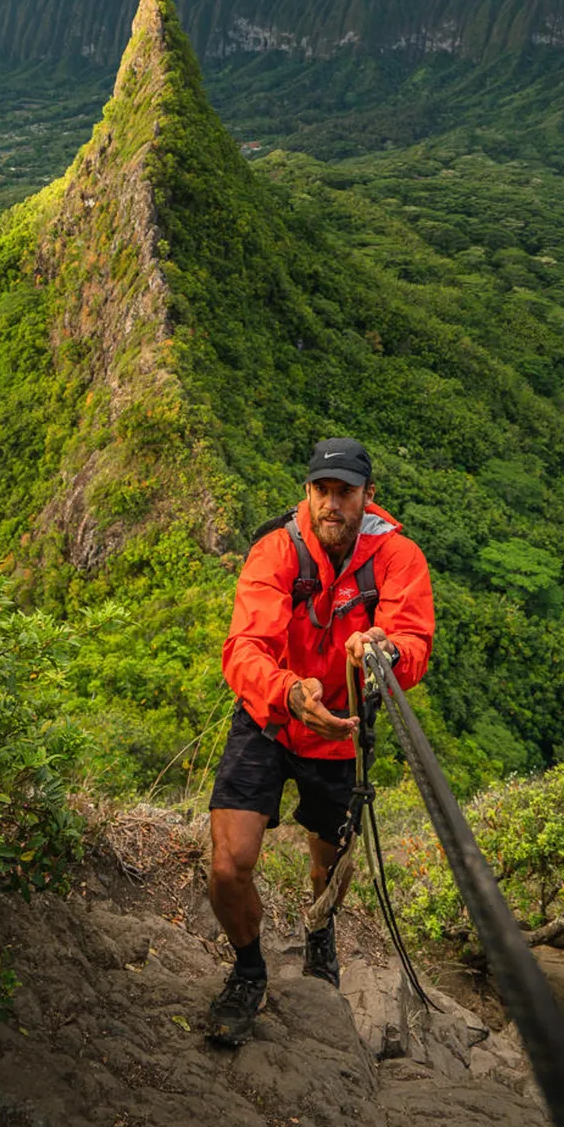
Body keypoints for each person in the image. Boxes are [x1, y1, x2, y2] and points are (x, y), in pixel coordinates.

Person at [205, 436, 434, 1045]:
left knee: (326, 864)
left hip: (341, 731)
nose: (331, 503)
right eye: (321, 490)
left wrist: (383, 648)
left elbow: (414, 645)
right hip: (271, 716)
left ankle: (319, 928)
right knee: (228, 867)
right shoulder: (276, 549)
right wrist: (289, 696)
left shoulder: (398, 557)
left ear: (368, 497)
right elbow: (245, 648)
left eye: (345, 492)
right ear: (308, 491)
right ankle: (250, 970)